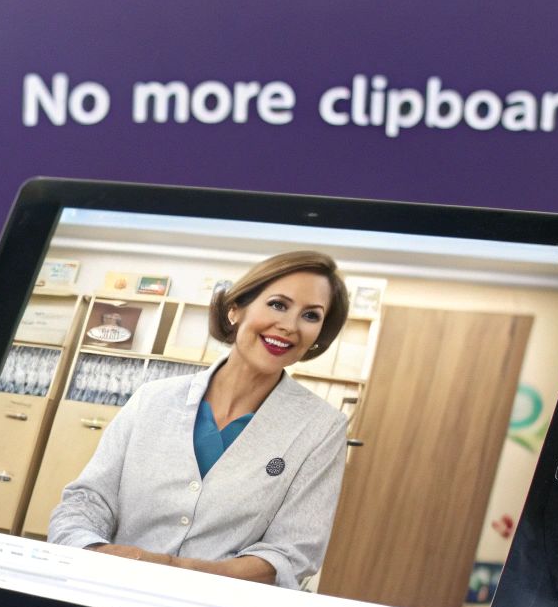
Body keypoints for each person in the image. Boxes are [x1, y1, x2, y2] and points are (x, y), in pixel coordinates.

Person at [45, 251, 351, 589]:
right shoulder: (152, 399)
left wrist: (173, 568)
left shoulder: (322, 428)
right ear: (235, 309)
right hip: (110, 590)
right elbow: (87, 501)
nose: (290, 326)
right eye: (278, 304)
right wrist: (97, 554)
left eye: (310, 315)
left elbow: (292, 553)